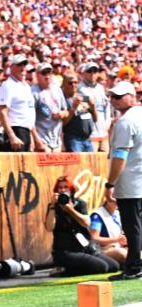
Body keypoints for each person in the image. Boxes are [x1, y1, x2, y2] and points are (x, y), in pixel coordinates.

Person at [43, 175, 119, 276]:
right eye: (60, 188)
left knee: (114, 266)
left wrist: (70, 209)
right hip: (65, 251)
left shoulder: (79, 204)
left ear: (71, 190)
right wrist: (52, 206)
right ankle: (63, 270)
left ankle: (69, 268)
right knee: (102, 267)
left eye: (66, 187)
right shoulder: (53, 206)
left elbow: (86, 222)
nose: (62, 190)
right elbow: (49, 227)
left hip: (85, 248)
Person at [105, 81, 142, 280]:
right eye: (112, 97)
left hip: (130, 182)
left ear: (132, 96)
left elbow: (120, 156)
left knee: (132, 226)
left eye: (118, 96)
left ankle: (134, 267)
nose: (114, 100)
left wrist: (110, 183)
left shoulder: (126, 122)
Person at [0, 54, 35, 152]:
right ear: (11, 67)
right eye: (19, 65)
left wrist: (31, 136)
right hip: (16, 130)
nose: (22, 68)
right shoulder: (8, 85)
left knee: (25, 166)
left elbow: (28, 112)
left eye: (24, 64)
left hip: (26, 131)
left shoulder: (26, 86)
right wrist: (12, 136)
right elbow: (2, 112)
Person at [31, 62, 66, 153]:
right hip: (42, 139)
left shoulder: (57, 89)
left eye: (49, 72)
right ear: (37, 75)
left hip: (56, 140)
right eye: (43, 73)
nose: (47, 76)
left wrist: (62, 114)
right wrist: (37, 141)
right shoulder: (33, 92)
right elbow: (29, 120)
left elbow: (65, 111)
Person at [60, 72, 97, 153]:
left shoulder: (82, 97)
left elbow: (95, 119)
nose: (73, 85)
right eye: (70, 83)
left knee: (90, 165)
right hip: (73, 140)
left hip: (87, 139)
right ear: (64, 84)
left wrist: (93, 107)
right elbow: (63, 123)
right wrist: (74, 108)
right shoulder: (62, 99)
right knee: (77, 165)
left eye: (76, 82)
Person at [89, 197, 127, 265]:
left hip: (117, 246)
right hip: (102, 250)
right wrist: (117, 240)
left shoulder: (117, 213)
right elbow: (94, 238)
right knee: (123, 254)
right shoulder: (97, 216)